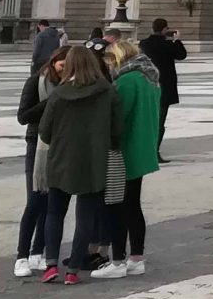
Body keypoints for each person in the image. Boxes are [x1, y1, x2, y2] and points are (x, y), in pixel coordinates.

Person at [37, 43, 120, 284]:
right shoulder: (107, 92)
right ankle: (73, 269)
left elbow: (44, 131)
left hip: (61, 159)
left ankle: (51, 265)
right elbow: (117, 129)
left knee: (54, 213)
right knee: (86, 217)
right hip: (93, 161)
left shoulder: (59, 94)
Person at [102, 37, 161, 278]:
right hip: (143, 148)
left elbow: (118, 118)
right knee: (133, 206)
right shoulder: (150, 79)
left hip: (124, 151)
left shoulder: (126, 82)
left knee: (117, 207)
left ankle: (117, 262)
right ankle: (136, 257)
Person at [13, 45, 57, 278]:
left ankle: (38, 251)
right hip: (37, 143)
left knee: (51, 201)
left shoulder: (68, 85)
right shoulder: (35, 83)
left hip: (60, 146)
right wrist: (50, 103)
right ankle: (22, 255)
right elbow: (23, 116)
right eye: (61, 64)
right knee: (35, 200)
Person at [137, 19, 186, 160]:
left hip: (148, 84)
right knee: (160, 121)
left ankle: (143, 149)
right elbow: (182, 55)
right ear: (165, 29)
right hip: (165, 86)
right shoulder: (167, 45)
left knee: (147, 119)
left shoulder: (144, 44)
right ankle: (154, 152)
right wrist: (177, 40)